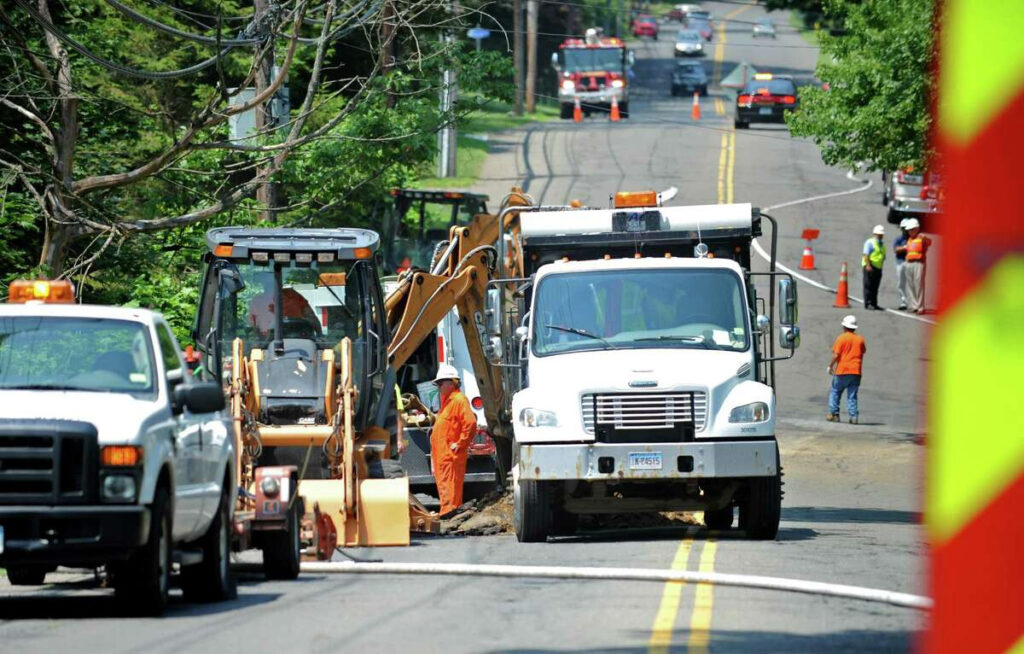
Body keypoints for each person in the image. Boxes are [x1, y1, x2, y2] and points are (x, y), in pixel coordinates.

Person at [429, 363, 477, 517]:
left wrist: (460, 443)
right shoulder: (448, 402)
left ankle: (450, 517)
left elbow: (470, 423)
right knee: (446, 489)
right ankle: (447, 515)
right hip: (444, 457)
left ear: (450, 383)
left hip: (450, 456)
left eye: (440, 383)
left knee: (450, 490)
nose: (438, 387)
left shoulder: (458, 400)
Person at [248, 272, 320, 338]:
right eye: (268, 283)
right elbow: (255, 327)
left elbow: (311, 317)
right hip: (268, 342)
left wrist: (320, 335)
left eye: (271, 282)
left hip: (297, 338)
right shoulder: (257, 301)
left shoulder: (293, 296)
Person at [827, 315, 866, 424]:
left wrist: (830, 366)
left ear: (844, 326)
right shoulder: (860, 340)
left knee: (835, 391)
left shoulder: (841, 338)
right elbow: (862, 352)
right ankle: (853, 417)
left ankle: (834, 414)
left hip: (842, 370)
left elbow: (836, 355)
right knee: (852, 395)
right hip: (856, 371)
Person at [903, 218, 932, 314]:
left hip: (919, 263)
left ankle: (920, 307)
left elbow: (929, 242)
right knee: (910, 285)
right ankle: (913, 306)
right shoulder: (910, 239)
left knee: (919, 285)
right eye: (909, 230)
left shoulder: (921, 238)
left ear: (916, 228)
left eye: (911, 230)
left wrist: (924, 238)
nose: (909, 232)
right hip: (909, 263)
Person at [861, 224, 886, 310]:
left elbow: (882, 256)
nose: (880, 236)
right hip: (870, 266)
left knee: (875, 287)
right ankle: (868, 303)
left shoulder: (881, 244)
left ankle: (874, 303)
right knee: (868, 286)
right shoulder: (870, 242)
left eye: (881, 234)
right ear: (875, 234)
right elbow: (866, 254)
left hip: (878, 268)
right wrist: (868, 265)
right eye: (879, 234)